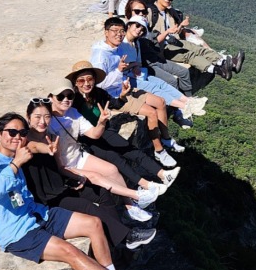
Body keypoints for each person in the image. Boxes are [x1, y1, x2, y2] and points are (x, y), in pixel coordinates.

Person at [0, 112, 153, 270]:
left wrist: (46, 151)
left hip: (37, 214)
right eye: (12, 132)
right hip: (15, 231)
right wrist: (16, 164)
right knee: (69, 251)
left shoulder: (13, 155)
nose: (17, 137)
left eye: (22, 132)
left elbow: (35, 147)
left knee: (93, 223)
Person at [23, 99, 155, 250]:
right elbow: (34, 147)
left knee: (102, 193)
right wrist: (47, 149)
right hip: (47, 196)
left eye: (47, 117)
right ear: (28, 117)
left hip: (62, 185)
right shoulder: (24, 141)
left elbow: (60, 167)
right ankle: (127, 236)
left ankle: (114, 236)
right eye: (37, 117)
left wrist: (77, 177)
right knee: (87, 206)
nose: (42, 121)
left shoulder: (53, 138)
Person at [46, 84, 164, 213]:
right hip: (64, 165)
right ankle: (137, 195)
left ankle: (129, 206)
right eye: (60, 96)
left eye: (70, 96)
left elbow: (94, 134)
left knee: (112, 169)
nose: (65, 99)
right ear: (51, 98)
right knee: (96, 176)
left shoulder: (73, 112)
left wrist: (101, 122)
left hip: (78, 156)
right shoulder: (47, 120)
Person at [65, 61, 177, 188]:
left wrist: (123, 96)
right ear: (75, 82)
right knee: (116, 159)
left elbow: (114, 104)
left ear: (94, 80)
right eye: (81, 81)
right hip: (88, 139)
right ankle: (147, 185)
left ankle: (163, 174)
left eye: (90, 79)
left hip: (105, 131)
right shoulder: (72, 100)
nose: (86, 83)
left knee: (131, 150)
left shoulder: (98, 93)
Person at [91, 18, 180, 166]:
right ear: (106, 32)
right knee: (151, 113)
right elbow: (100, 84)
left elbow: (121, 68)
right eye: (114, 31)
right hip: (114, 96)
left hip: (126, 88)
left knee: (161, 102)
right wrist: (119, 71)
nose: (119, 35)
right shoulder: (101, 56)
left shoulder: (116, 48)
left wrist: (130, 67)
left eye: (121, 31)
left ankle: (166, 139)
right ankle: (159, 151)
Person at [122, 14, 204, 128]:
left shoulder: (136, 43)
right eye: (137, 26)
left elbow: (138, 61)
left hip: (137, 73)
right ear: (129, 25)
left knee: (162, 83)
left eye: (142, 29)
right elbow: (118, 67)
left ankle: (188, 101)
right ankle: (184, 106)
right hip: (126, 78)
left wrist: (135, 65)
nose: (139, 30)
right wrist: (133, 65)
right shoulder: (121, 43)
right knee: (154, 88)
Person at [151, 0, 244, 80]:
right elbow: (150, 37)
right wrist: (168, 32)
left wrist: (181, 26)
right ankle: (221, 71)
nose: (168, 0)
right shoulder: (150, 12)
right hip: (161, 48)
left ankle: (228, 63)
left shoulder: (169, 13)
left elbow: (173, 32)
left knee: (198, 48)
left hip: (174, 41)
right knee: (190, 55)